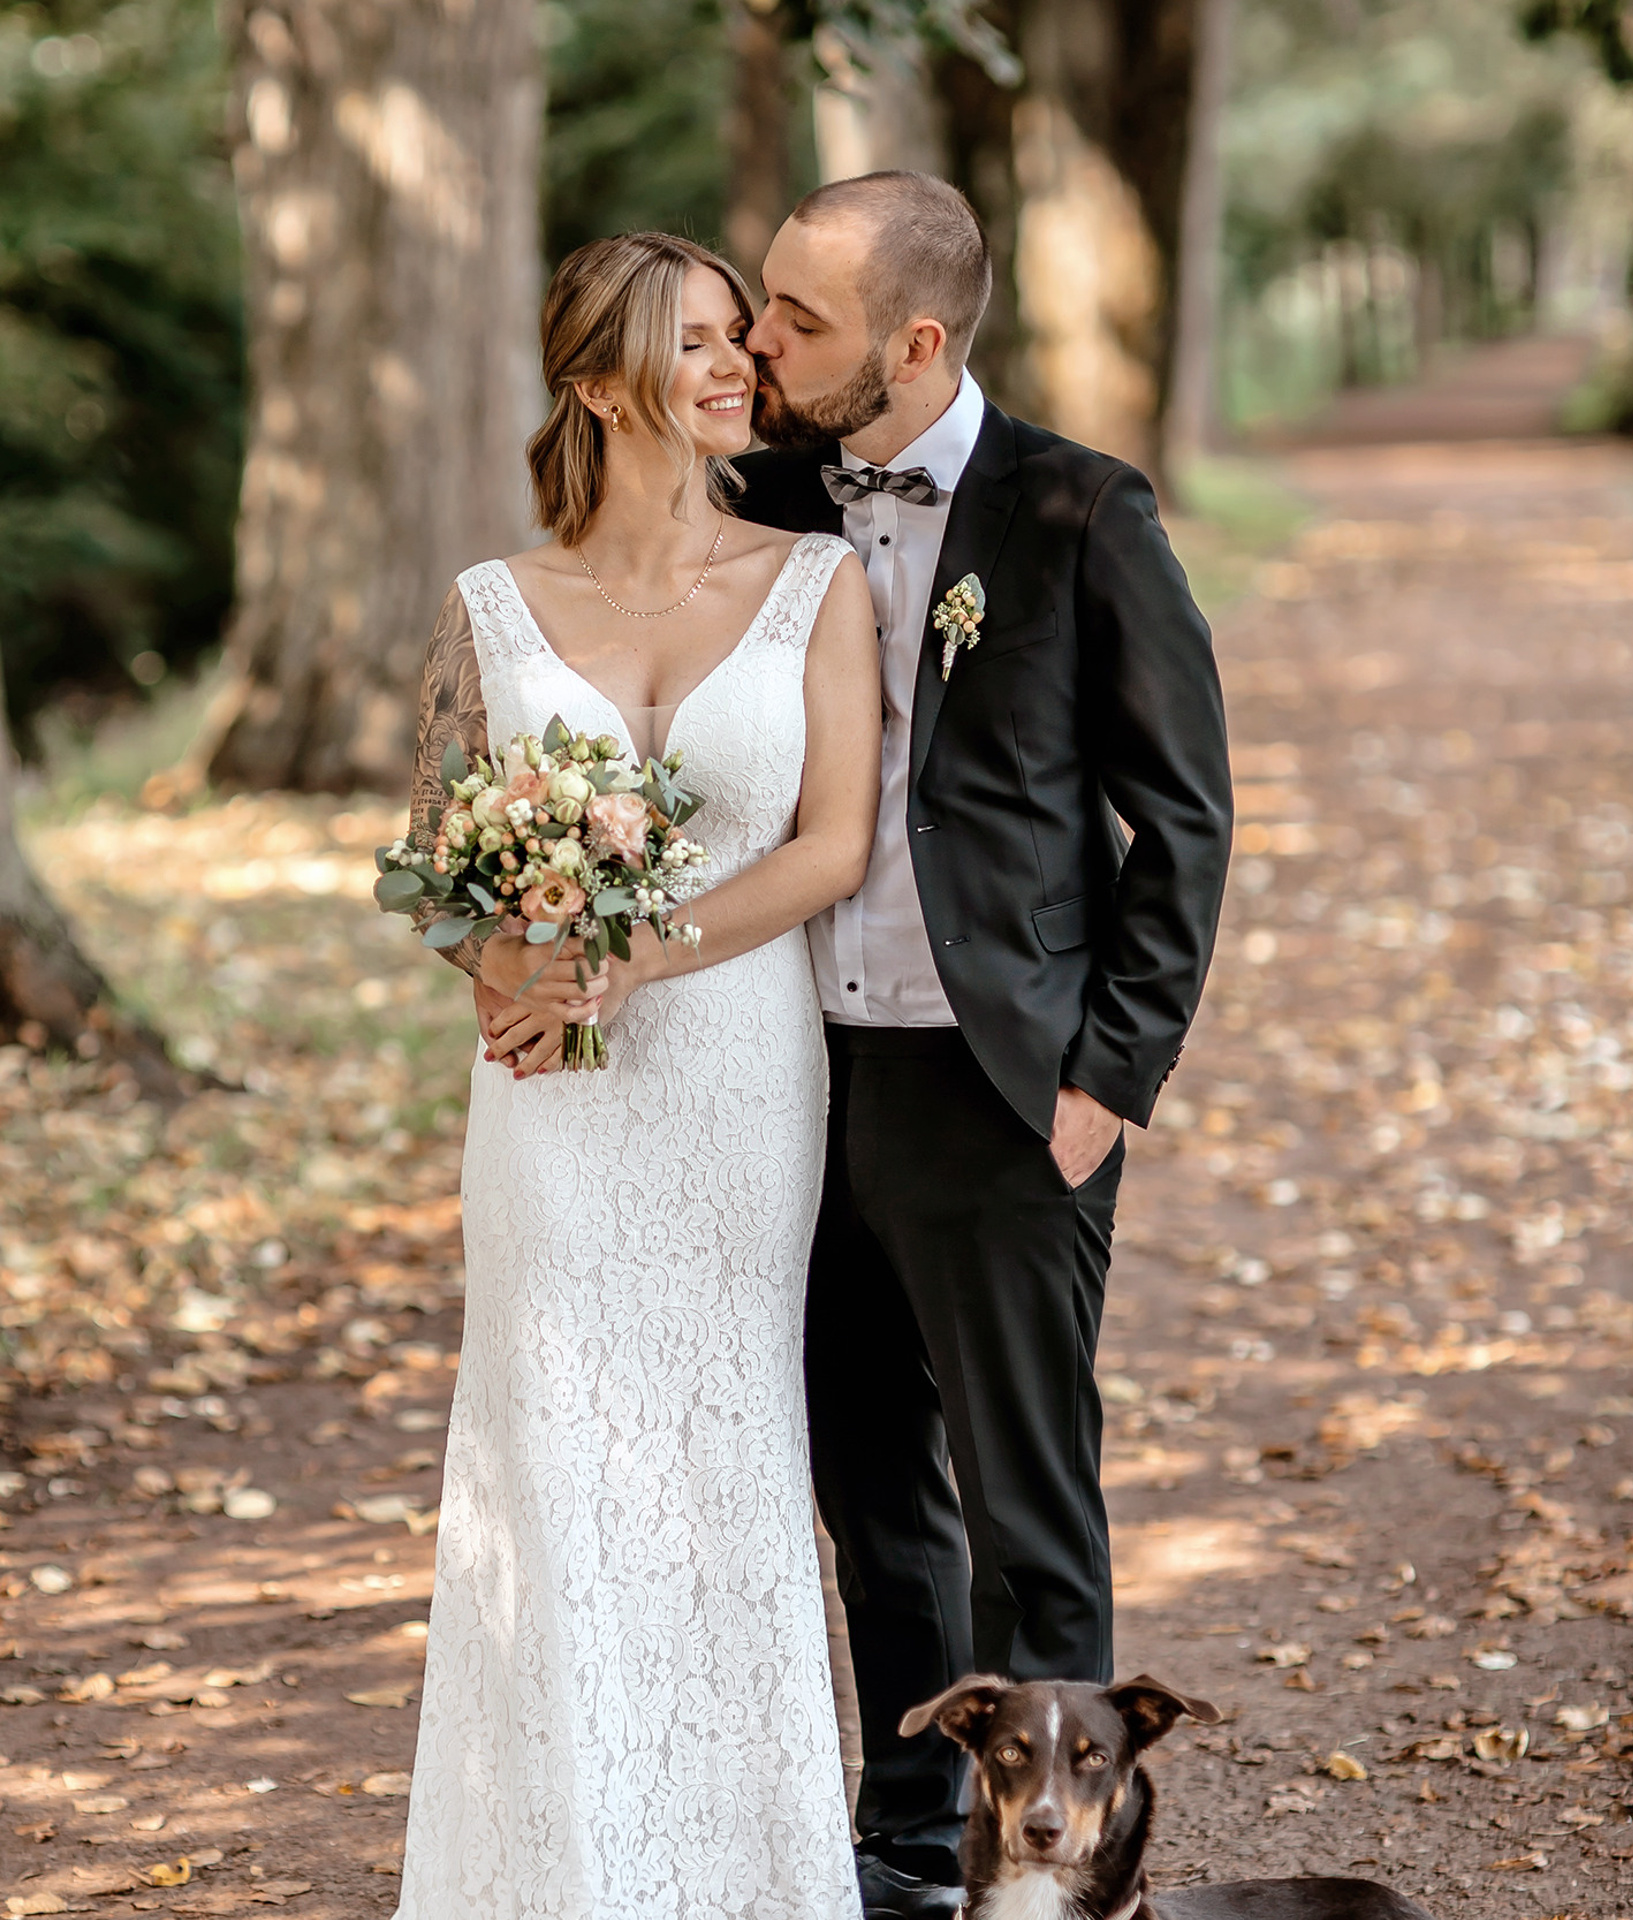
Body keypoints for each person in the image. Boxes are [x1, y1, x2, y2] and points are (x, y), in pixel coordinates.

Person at [732, 172, 1234, 1919]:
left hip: (1002, 1085)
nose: (757, 337)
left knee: (1028, 1509)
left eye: (797, 316)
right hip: (793, 1077)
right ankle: (904, 1847)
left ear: (916, 340)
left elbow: (1184, 821)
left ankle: (1073, 1884)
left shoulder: (1080, 512)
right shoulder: (763, 494)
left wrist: (1109, 1077)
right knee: (871, 1489)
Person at [396, 231, 880, 1920]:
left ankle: (746, 1880)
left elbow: (829, 846)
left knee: (725, 1445)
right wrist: (504, 971)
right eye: (697, 342)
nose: (739, 365)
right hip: (553, 1111)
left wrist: (638, 952)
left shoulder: (819, 581)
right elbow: (433, 861)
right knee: (549, 1444)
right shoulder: (488, 607)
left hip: (744, 1083)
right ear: (602, 383)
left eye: (744, 338)